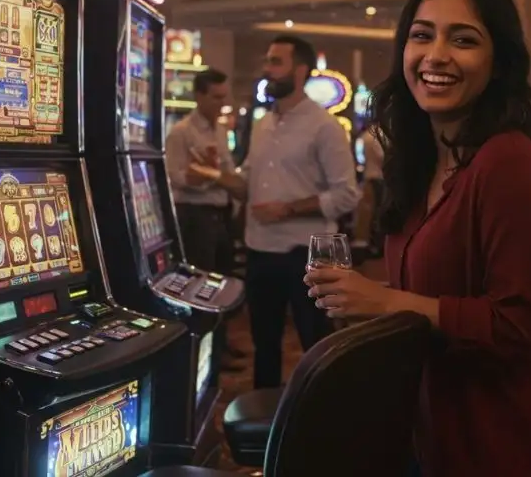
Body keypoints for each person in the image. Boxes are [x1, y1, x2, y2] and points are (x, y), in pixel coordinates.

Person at [304, 0, 531, 477]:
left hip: (495, 440)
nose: (436, 55)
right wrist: (369, 296)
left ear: (499, 63)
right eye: (421, 35)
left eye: (464, 39)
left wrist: (384, 301)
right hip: (427, 427)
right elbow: (439, 288)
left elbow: (515, 324)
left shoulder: (507, 161)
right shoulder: (424, 159)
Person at [206, 35, 360, 389]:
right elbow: (248, 179)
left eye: (276, 62)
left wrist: (289, 208)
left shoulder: (325, 127)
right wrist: (214, 177)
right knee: (264, 345)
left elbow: (346, 195)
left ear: (300, 70)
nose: (267, 69)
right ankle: (266, 421)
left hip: (304, 253)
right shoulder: (263, 124)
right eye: (267, 61)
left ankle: (320, 422)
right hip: (260, 250)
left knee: (315, 343)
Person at [165, 68, 243, 370]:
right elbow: (175, 177)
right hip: (195, 217)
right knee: (202, 288)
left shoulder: (221, 129)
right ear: (199, 96)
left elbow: (228, 171)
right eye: (215, 97)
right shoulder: (182, 132)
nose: (221, 103)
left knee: (223, 284)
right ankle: (202, 352)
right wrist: (213, 178)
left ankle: (220, 345)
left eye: (224, 96)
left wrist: (219, 178)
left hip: (220, 215)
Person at [361, 124, 385, 256]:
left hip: (369, 174)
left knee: (373, 211)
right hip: (378, 177)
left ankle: (373, 244)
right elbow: (382, 157)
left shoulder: (365, 135)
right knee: (378, 211)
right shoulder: (377, 135)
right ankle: (377, 245)